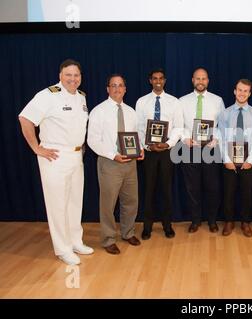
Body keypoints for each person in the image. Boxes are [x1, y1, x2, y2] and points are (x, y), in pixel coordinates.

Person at [18, 59, 93, 265]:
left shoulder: (81, 97)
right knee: (58, 205)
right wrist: (36, 148)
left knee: (75, 202)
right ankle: (63, 249)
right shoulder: (47, 95)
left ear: (81, 77)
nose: (72, 79)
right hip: (55, 157)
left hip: (76, 156)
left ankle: (75, 241)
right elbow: (25, 119)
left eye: (76, 75)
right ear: (60, 76)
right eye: (68, 75)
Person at [87, 74, 144, 255]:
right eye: (113, 85)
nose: (117, 89)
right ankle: (108, 239)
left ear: (125, 89)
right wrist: (113, 155)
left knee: (131, 201)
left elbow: (136, 136)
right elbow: (92, 140)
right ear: (108, 89)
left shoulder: (130, 111)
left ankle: (128, 233)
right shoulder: (98, 111)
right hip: (109, 163)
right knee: (108, 204)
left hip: (130, 164)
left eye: (120, 86)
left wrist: (140, 149)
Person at [136, 68, 183, 240]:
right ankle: (147, 226)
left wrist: (168, 144)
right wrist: (147, 146)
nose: (157, 81)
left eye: (161, 78)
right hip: (149, 152)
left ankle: (167, 225)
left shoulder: (174, 102)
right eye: (154, 78)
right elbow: (139, 127)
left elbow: (179, 127)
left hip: (166, 151)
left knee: (166, 190)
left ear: (165, 80)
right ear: (150, 80)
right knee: (148, 190)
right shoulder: (141, 102)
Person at [179, 67, 225, 233]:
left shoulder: (217, 100)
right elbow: (179, 125)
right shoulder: (182, 101)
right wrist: (185, 138)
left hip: (210, 149)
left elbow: (222, 124)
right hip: (189, 149)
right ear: (192, 80)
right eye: (197, 78)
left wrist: (216, 138)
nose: (200, 81)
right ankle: (195, 220)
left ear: (208, 81)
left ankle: (212, 220)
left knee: (212, 187)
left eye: (203, 78)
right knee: (192, 188)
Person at [217, 79, 252, 237]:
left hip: (247, 162)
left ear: (249, 93)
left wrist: (250, 160)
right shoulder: (225, 113)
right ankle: (229, 222)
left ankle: (245, 222)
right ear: (234, 91)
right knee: (228, 192)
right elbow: (222, 138)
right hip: (229, 160)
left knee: (246, 193)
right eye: (239, 90)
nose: (242, 93)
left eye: (245, 91)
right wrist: (226, 159)